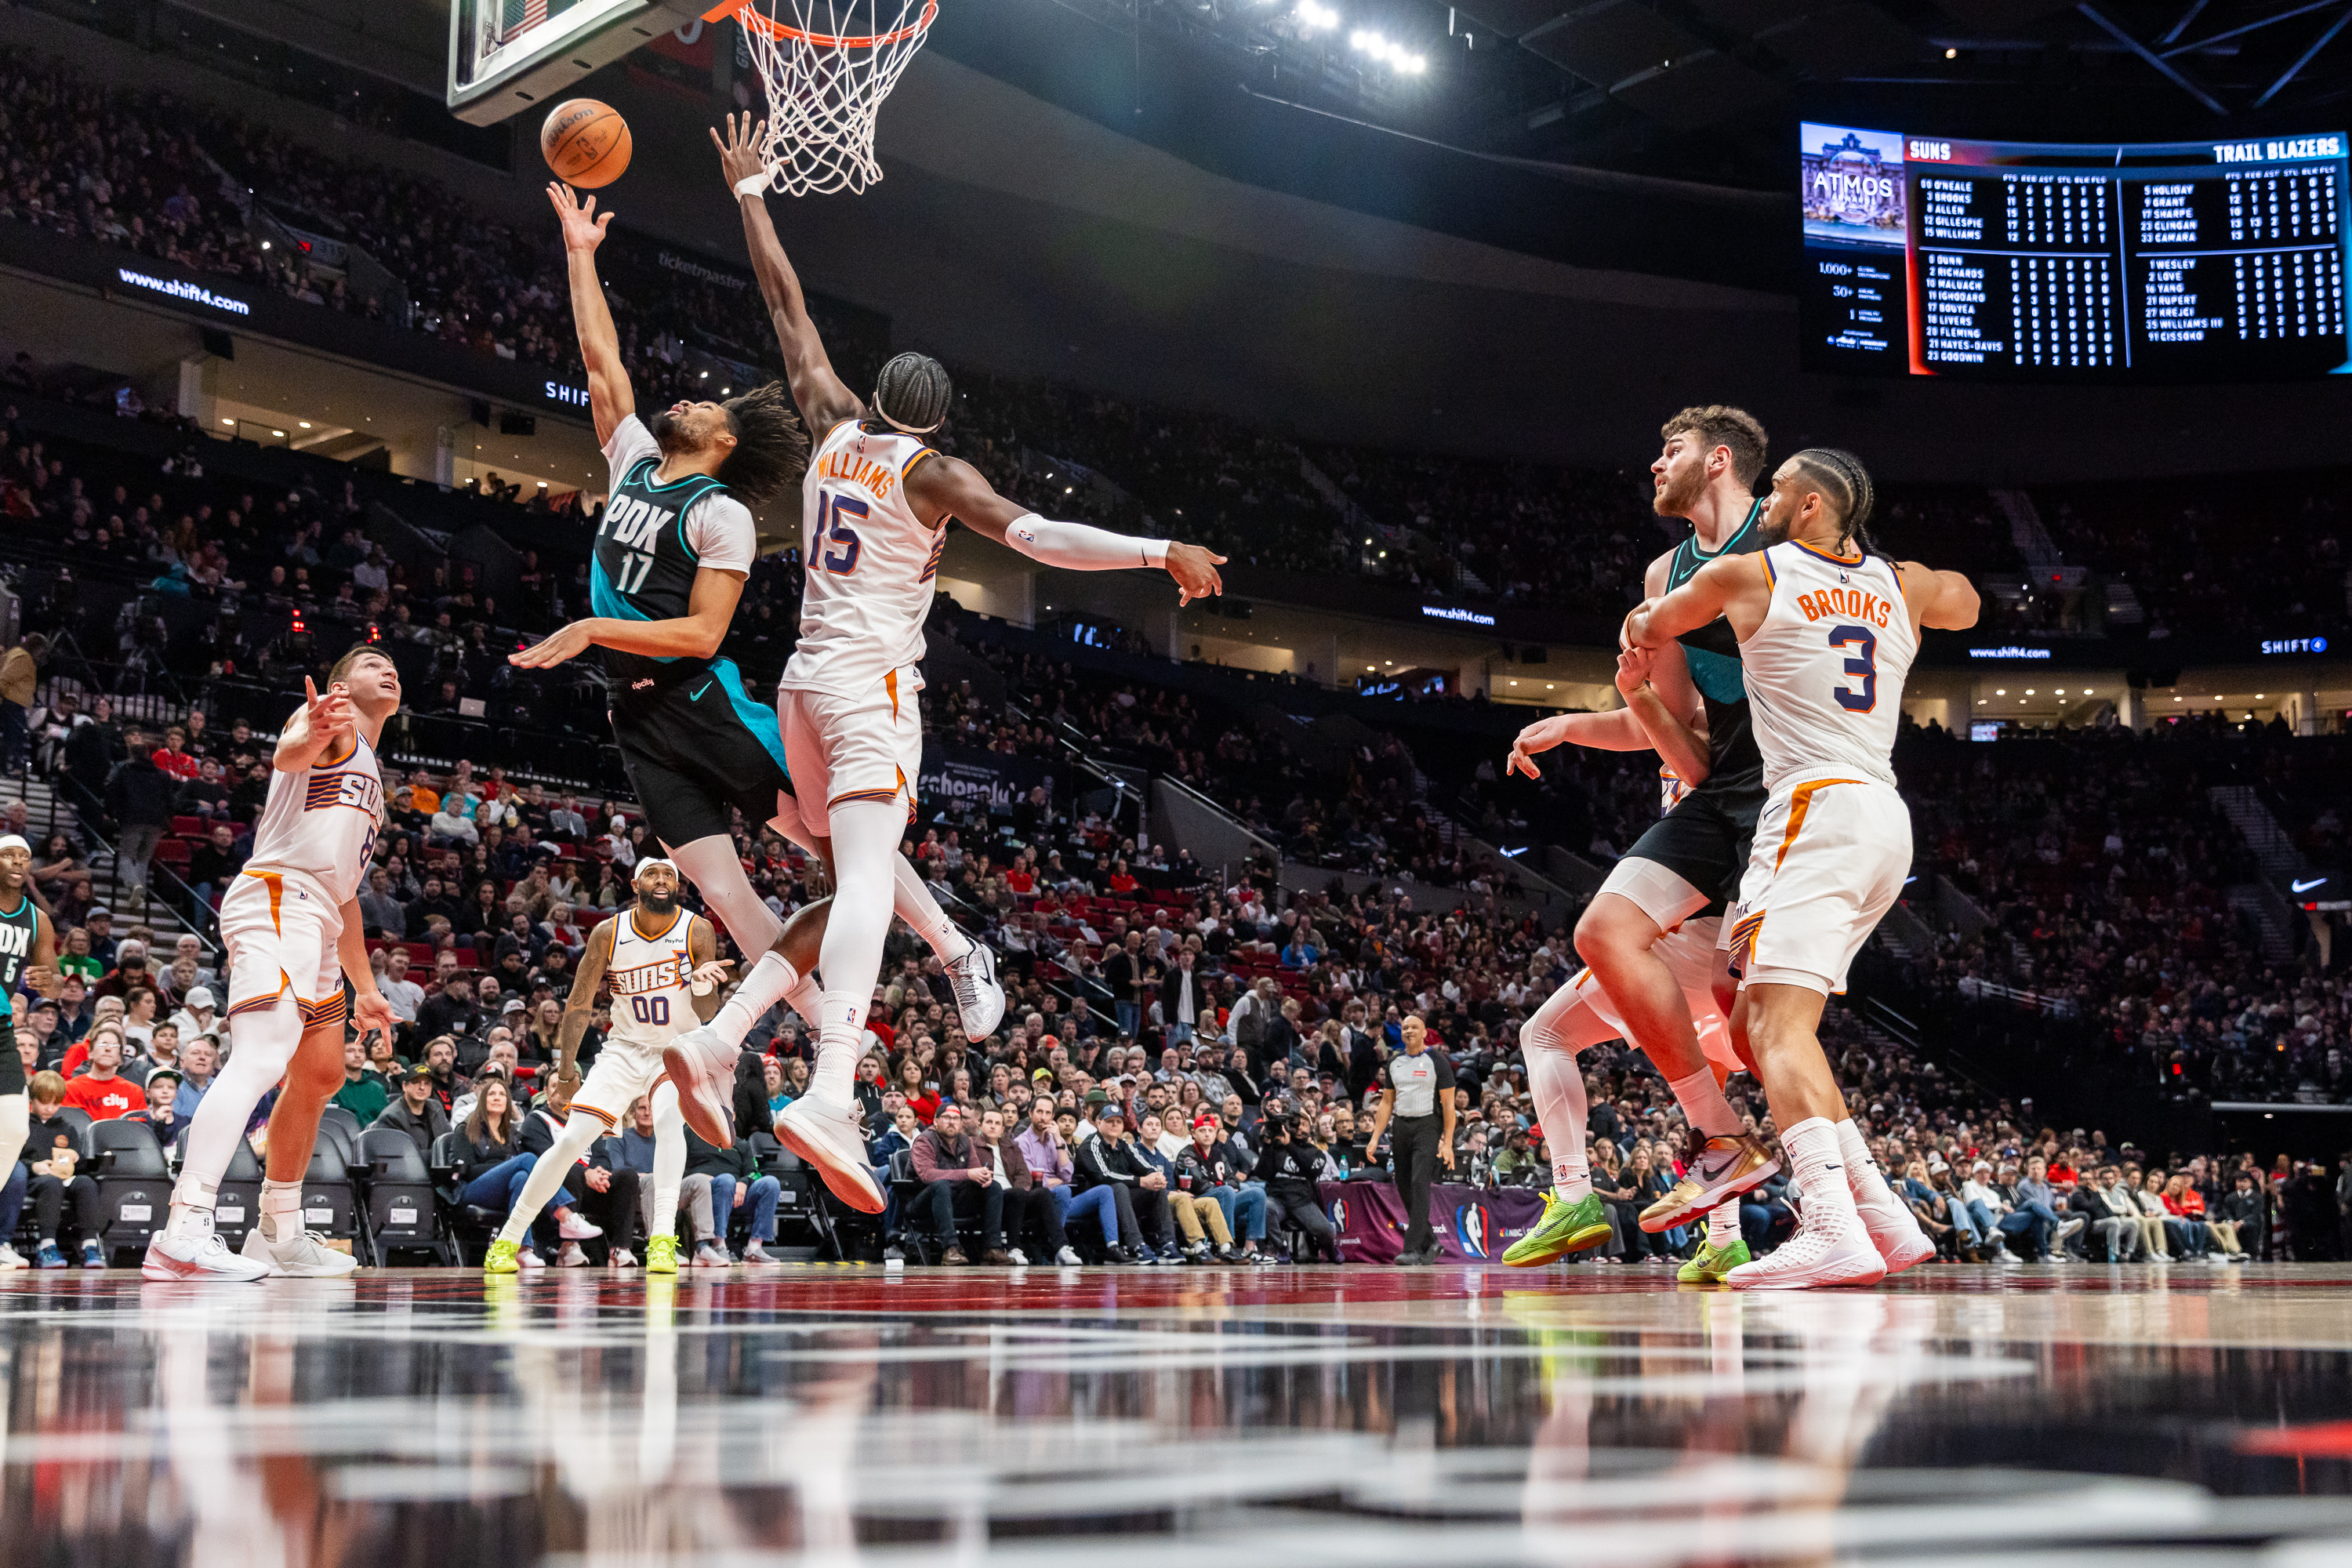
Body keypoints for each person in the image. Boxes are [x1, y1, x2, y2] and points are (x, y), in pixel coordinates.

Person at [675, 115, 1225, 1212]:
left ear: (877, 398)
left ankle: (724, 1038)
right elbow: (1037, 538)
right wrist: (1157, 549)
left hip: (799, 686)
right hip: (870, 692)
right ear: (935, 426)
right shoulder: (934, 478)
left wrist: (750, 192)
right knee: (870, 881)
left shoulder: (832, 424)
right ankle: (831, 1090)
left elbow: (787, 308)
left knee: (843, 887)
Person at [517, 179, 1005, 1200]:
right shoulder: (636, 460)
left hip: (705, 702)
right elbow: (602, 362)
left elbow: (697, 634)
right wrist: (577, 252)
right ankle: (743, 1054)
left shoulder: (722, 516)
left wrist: (588, 627)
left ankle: (944, 960)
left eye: (705, 405)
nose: (683, 398)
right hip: (637, 725)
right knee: (740, 899)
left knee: (847, 859)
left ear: (728, 446)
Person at [1624, 446, 1978, 1287]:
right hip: (1883, 819)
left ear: (1813, 504)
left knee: (1779, 1028)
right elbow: (1965, 601)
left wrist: (1645, 637)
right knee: (1750, 1020)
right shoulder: (1904, 581)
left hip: (1811, 808)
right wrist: (1895, 583)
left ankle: (1829, 1228)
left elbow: (1652, 622)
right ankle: (1881, 1216)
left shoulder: (1752, 573)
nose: (1769, 501)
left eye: (1780, 490)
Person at [1504, 408, 1786, 1274]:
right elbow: (1655, 724)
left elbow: (1686, 745)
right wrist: (1571, 723)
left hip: (1781, 806)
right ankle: (1730, 1208)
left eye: (1672, 449)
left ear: (1720, 459)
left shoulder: (1781, 537)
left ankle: (1782, 1193)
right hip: (1720, 813)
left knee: (1749, 1037)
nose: (1654, 461)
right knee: (1716, 1037)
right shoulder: (1665, 573)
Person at [144, 650, 401, 1281]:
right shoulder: (331, 720)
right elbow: (289, 752)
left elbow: (346, 892)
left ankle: (279, 1233)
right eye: (373, 662)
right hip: (280, 894)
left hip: (319, 913)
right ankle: (184, 1228)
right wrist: (307, 730)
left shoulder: (371, 766)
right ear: (342, 685)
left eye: (393, 664)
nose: (389, 669)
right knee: (261, 1056)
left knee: (318, 1074)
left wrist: (364, 988)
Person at [485, 858, 786, 1275]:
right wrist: (568, 1072)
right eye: (652, 874)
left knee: (667, 1124)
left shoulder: (696, 929)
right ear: (635, 883)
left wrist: (701, 985)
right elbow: (579, 1002)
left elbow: (708, 1010)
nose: (662, 880)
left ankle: (662, 1239)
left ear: (678, 886)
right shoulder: (609, 933)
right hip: (624, 1049)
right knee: (572, 1140)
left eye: (670, 876)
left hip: (676, 1048)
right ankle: (507, 1240)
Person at [1359, 1014, 1456, 1265]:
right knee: (1402, 1185)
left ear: (1425, 1033)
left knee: (1419, 1182)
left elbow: (1448, 1105)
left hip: (1428, 1125)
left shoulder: (1437, 1061)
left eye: (1415, 1027)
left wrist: (1447, 1142)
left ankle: (1412, 1249)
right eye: (1405, 1028)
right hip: (1401, 1125)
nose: (1409, 1031)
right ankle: (1431, 1241)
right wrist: (1374, 1137)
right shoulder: (1395, 1062)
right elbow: (1387, 1103)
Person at [0, 835, 60, 1228]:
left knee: (13, 1128)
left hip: (3, 1028)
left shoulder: (36, 918)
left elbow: (54, 981)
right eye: (8, 855)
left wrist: (47, 981)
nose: (18, 863)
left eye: (24, 857)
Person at [22, 1072, 106, 1267]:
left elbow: (82, 1166)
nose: (50, 1109)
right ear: (32, 1100)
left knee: (86, 1183)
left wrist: (78, 1158)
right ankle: (47, 1246)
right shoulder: (23, 1125)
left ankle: (90, 1245)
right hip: (35, 1180)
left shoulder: (66, 1128)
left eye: (55, 1103)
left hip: (65, 1178)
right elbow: (14, 1160)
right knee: (51, 1183)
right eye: (44, 1103)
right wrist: (34, 1166)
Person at [1257, 1112, 1341, 1264]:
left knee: (1327, 1230)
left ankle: (1330, 1248)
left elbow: (1312, 1169)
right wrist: (1268, 1146)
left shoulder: (1314, 1152)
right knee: (1265, 1206)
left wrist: (1289, 1145)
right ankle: (1281, 1247)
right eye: (1296, 1125)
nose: (1300, 1129)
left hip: (1302, 1201)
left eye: (1304, 1125)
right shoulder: (1275, 1149)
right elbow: (1263, 1174)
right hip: (1278, 1199)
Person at [371, 1063, 451, 1157]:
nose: (422, 1087)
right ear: (405, 1086)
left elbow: (450, 1142)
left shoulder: (436, 1107)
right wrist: (440, 1156)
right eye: (416, 1082)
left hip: (440, 1169)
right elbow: (400, 1157)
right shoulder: (391, 1117)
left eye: (427, 1083)